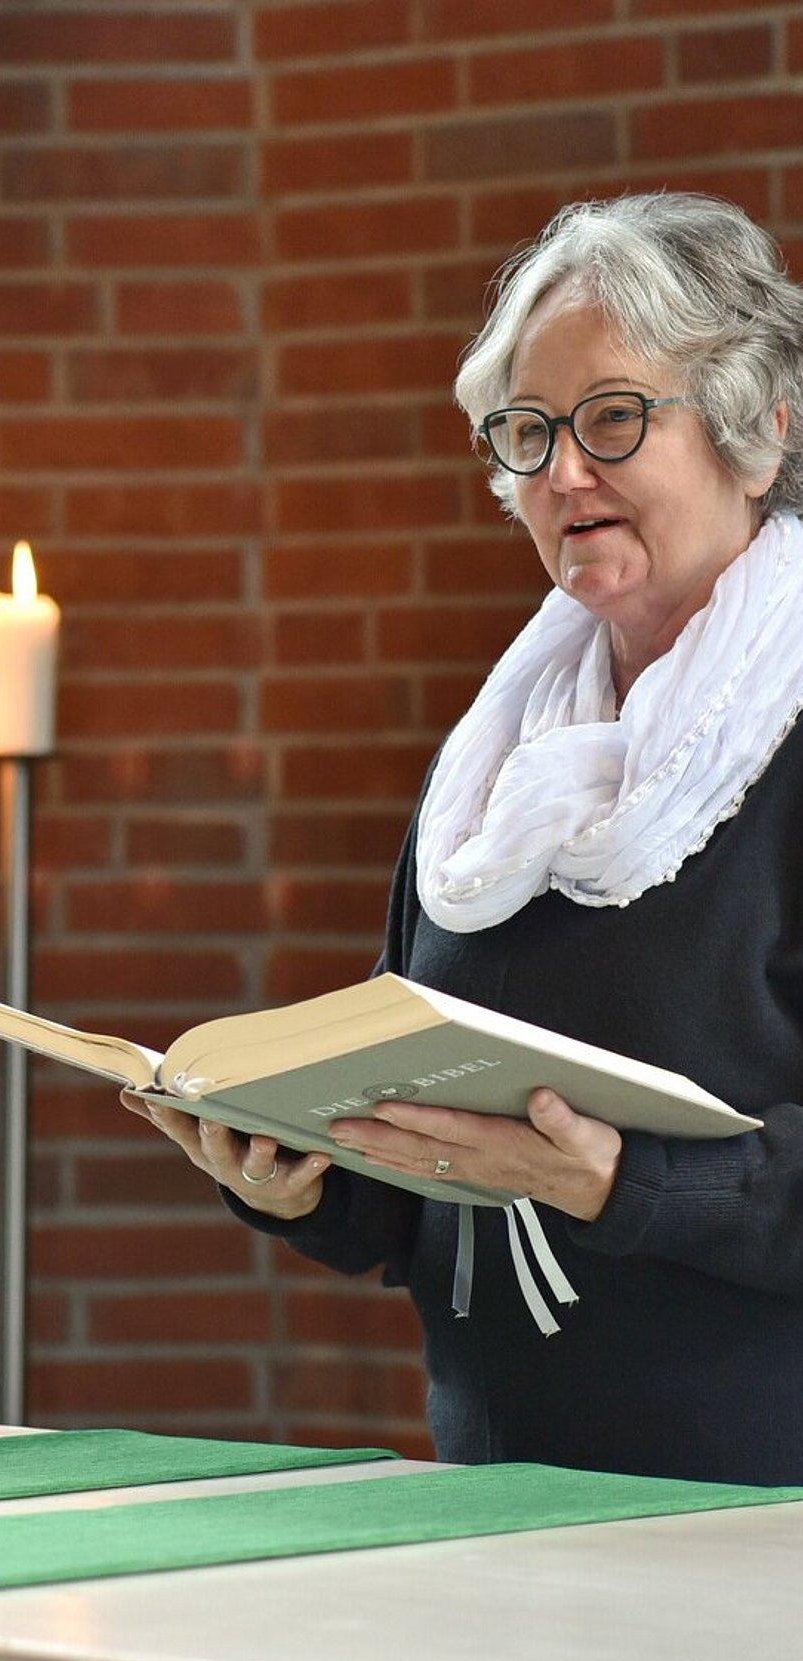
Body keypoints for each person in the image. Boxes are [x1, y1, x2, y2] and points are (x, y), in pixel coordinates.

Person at [125, 192, 803, 1485]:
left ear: (755, 433)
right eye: (527, 432)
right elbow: (441, 1174)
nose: (559, 472)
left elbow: (613, 1173)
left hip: (757, 1509)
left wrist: (629, 1182)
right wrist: (305, 1180)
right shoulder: (494, 768)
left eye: (611, 418)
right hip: (496, 1499)